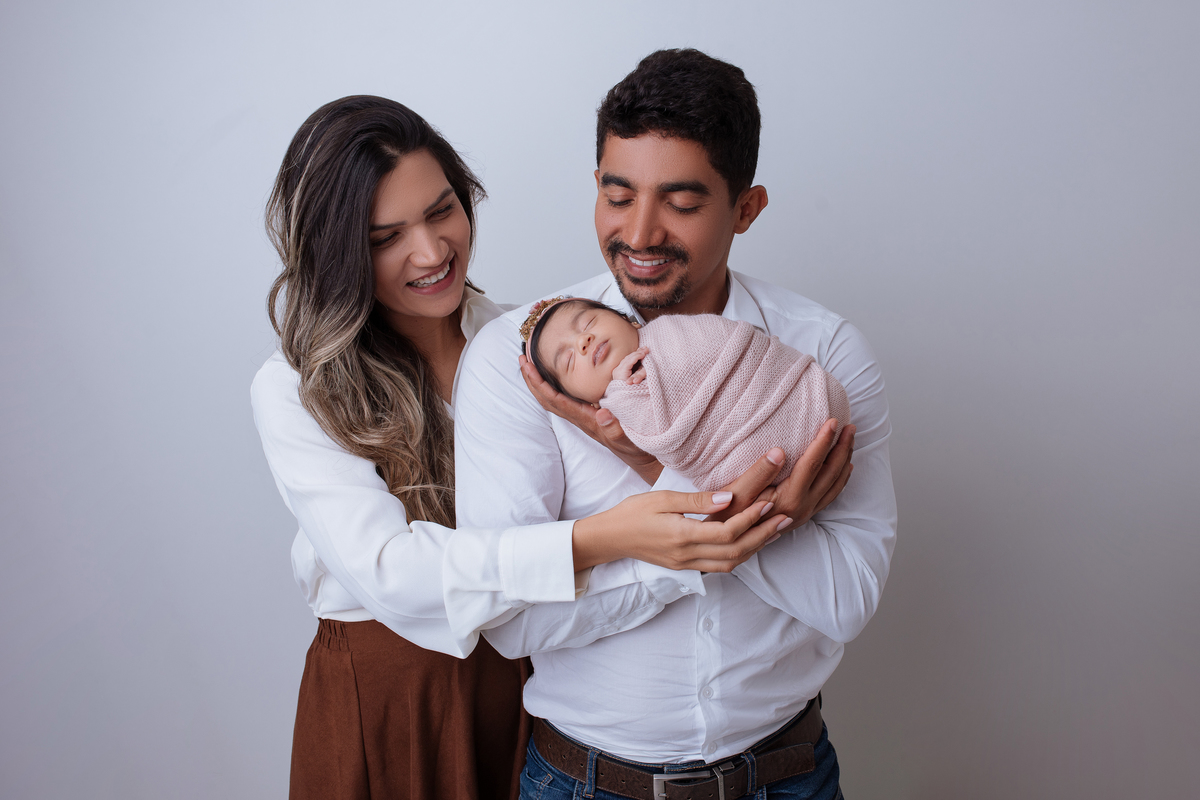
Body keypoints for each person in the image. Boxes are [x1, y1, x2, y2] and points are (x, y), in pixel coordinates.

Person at [250, 95, 794, 800]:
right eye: (386, 237)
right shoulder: (298, 386)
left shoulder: (531, 344)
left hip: (525, 681)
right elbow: (391, 572)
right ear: (337, 253)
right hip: (391, 695)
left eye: (442, 211)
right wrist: (600, 540)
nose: (431, 252)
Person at [455, 49, 896, 800]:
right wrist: (721, 536)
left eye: (682, 203)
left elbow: (847, 600)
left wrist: (655, 468)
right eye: (617, 195)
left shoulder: (819, 357)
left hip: (788, 778)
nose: (639, 233)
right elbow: (509, 621)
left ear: (746, 209)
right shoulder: (524, 361)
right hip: (584, 783)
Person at [522, 297, 851, 491]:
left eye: (588, 323)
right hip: (747, 456)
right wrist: (622, 392)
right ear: (587, 401)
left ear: (627, 320)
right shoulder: (618, 403)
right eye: (568, 360)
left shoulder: (673, 329)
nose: (583, 342)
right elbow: (659, 434)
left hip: (805, 392)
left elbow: (736, 343)